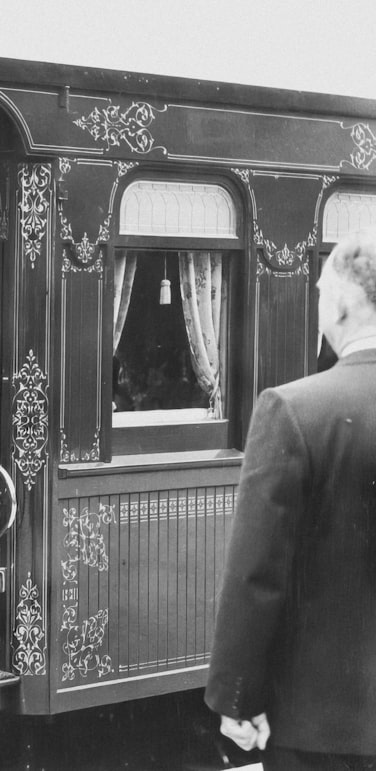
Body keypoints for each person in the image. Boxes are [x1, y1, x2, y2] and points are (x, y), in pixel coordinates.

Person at [204, 228, 376, 770]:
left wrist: (239, 700)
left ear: (346, 304)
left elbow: (257, 575)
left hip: (322, 726)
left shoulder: (294, 410)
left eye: (322, 291)